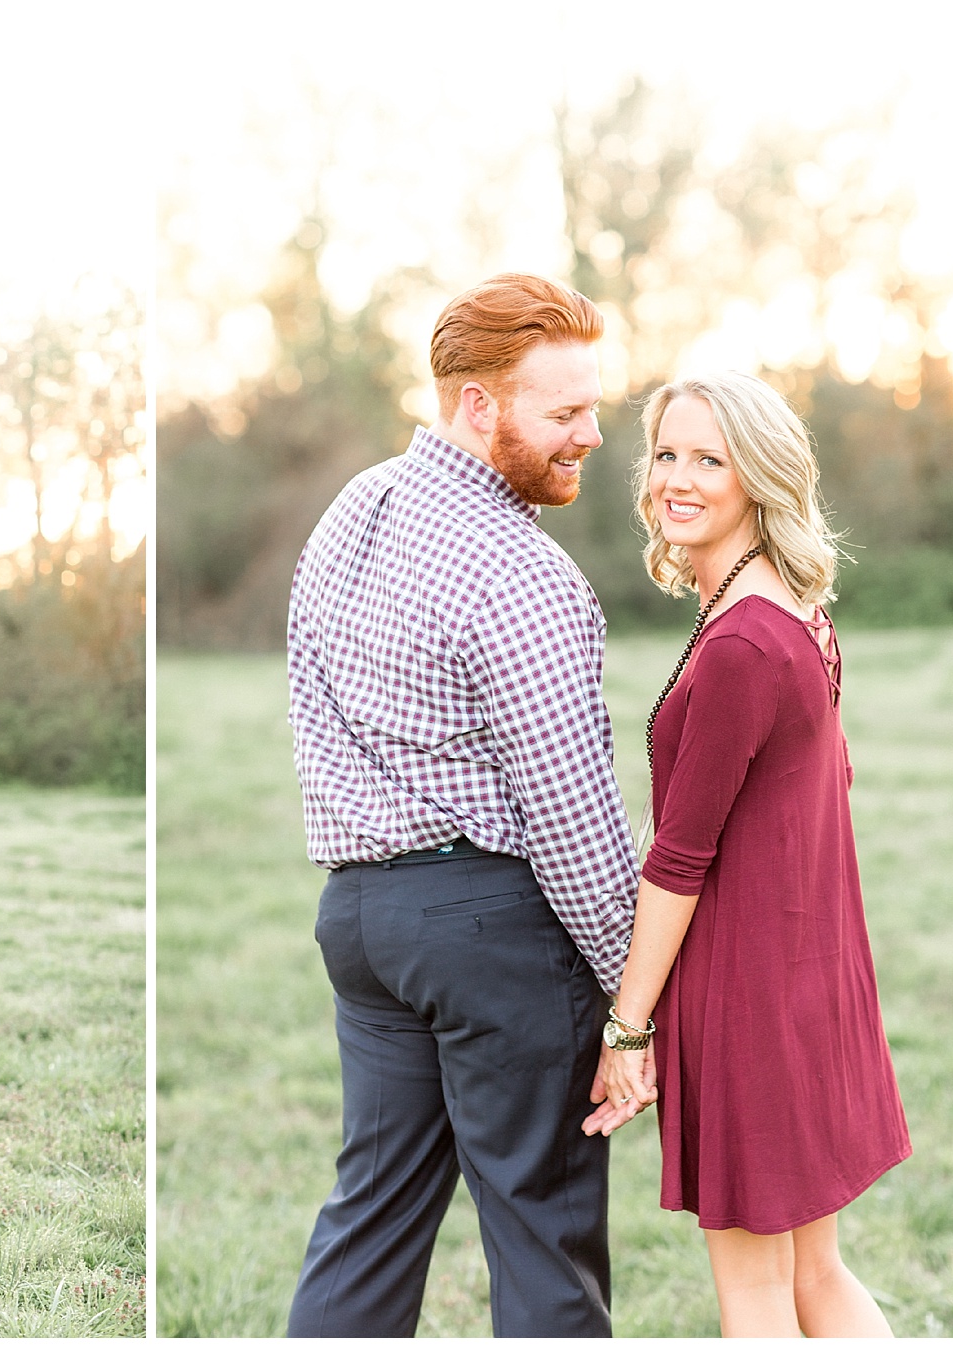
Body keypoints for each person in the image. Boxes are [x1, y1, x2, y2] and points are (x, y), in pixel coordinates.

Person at [285, 273, 638, 1337]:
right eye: (563, 411)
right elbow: (574, 819)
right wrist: (637, 1002)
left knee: (370, 1221)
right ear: (481, 405)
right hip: (492, 928)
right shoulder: (521, 572)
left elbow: (308, 698)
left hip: (362, 924)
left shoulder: (355, 509)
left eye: (594, 408)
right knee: (543, 1237)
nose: (588, 436)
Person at [581, 372, 910, 1336]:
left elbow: (679, 860)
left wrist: (627, 1030)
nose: (676, 479)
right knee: (816, 1277)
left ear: (757, 476)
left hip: (753, 1007)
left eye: (708, 459)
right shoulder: (795, 615)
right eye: (668, 455)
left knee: (760, 1300)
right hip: (809, 986)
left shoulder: (743, 648)